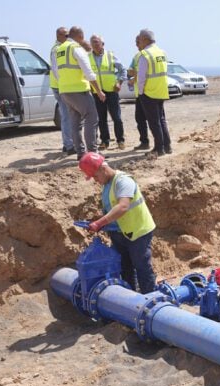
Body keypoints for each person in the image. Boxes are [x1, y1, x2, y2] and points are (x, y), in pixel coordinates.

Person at [79, 152, 157, 294]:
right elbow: (112, 209)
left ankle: (151, 302)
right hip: (120, 233)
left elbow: (123, 206)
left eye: (95, 176)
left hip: (138, 231)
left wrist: (99, 223)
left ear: (103, 168)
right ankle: (130, 300)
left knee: (141, 267)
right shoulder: (107, 184)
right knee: (125, 268)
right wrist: (102, 223)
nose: (95, 180)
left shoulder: (123, 181)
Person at [52, 26, 106, 160]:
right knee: (92, 118)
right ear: (80, 36)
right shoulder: (76, 48)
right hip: (79, 90)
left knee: (75, 123)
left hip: (65, 91)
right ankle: (93, 153)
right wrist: (99, 91)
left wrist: (64, 85)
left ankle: (81, 153)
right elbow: (89, 73)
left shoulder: (59, 50)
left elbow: (56, 71)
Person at [136, 29, 171, 156]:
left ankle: (159, 148)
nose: (139, 42)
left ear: (145, 39)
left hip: (149, 92)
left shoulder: (145, 54)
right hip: (161, 90)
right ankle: (167, 146)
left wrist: (140, 92)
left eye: (139, 39)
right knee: (161, 119)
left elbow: (141, 77)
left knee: (154, 121)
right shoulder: (162, 52)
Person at [89, 34, 126, 150]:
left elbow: (122, 70)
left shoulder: (110, 55)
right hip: (97, 92)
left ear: (102, 44)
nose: (94, 44)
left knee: (117, 117)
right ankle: (105, 141)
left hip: (111, 91)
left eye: (97, 42)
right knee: (101, 118)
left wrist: (119, 83)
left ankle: (120, 140)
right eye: (92, 42)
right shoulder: (87, 57)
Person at [49, 27, 74, 156]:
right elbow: (56, 69)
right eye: (66, 35)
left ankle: (68, 144)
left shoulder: (62, 48)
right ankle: (69, 145)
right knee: (66, 116)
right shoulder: (57, 49)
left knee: (68, 116)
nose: (68, 37)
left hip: (62, 86)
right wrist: (63, 85)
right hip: (60, 87)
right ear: (59, 35)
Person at [127, 36, 149, 150]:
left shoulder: (148, 54)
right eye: (135, 42)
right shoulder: (136, 56)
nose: (136, 45)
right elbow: (130, 70)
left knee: (154, 120)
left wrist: (136, 74)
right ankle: (144, 142)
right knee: (139, 119)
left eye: (138, 42)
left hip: (149, 93)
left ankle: (160, 144)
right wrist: (136, 73)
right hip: (139, 93)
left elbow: (144, 73)